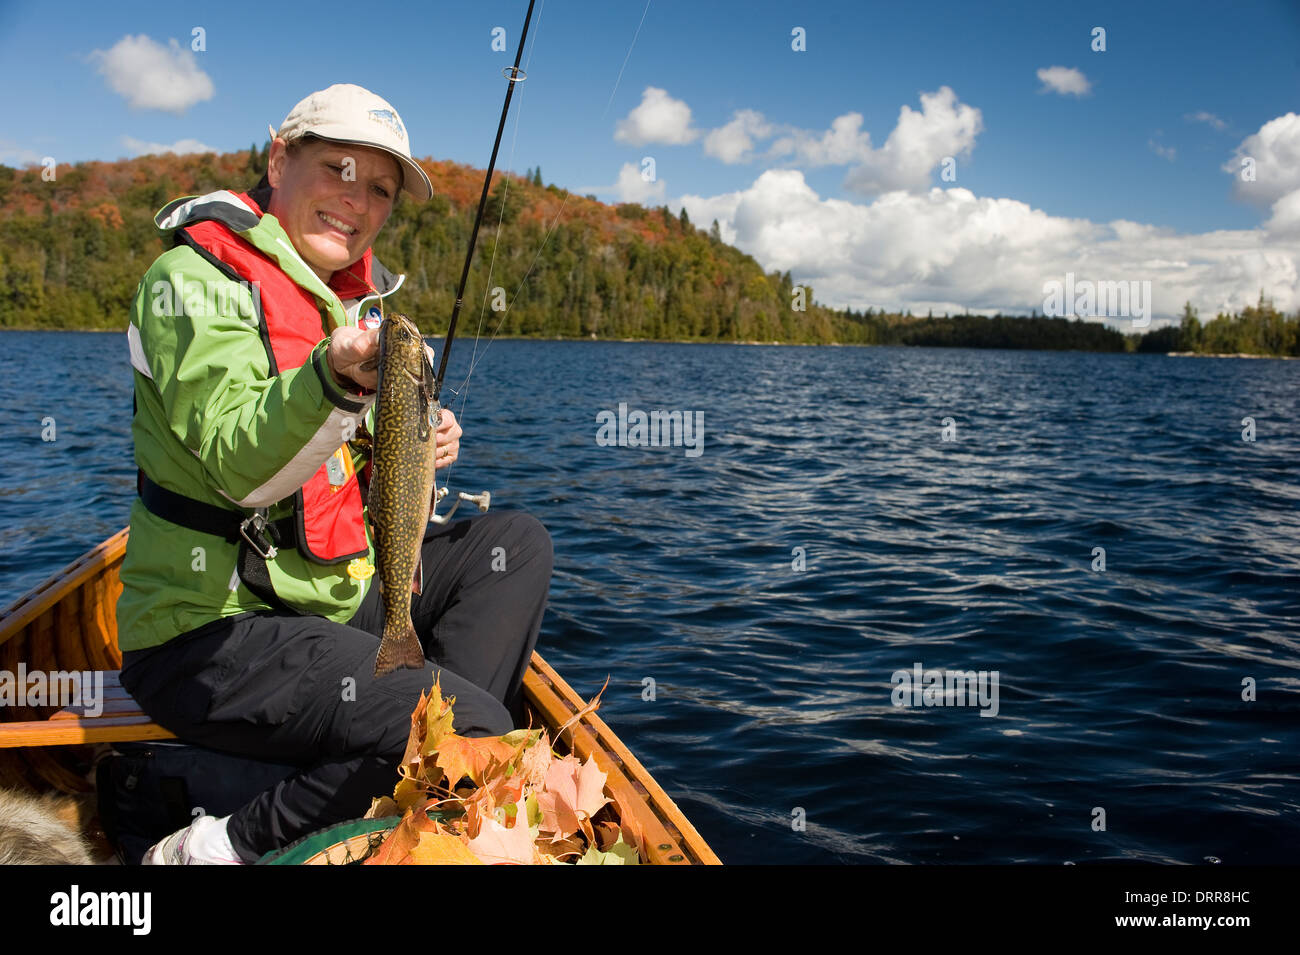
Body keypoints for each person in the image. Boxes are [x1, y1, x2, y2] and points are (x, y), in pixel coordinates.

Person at [116, 84, 553, 864]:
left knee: (514, 542)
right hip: (208, 634)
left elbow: (347, 460)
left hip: (328, 603)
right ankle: (221, 844)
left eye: (380, 189)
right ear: (280, 159)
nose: (358, 200)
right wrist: (334, 380)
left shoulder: (346, 305)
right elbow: (236, 464)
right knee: (471, 730)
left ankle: (407, 751)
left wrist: (416, 436)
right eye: (339, 168)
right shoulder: (189, 284)